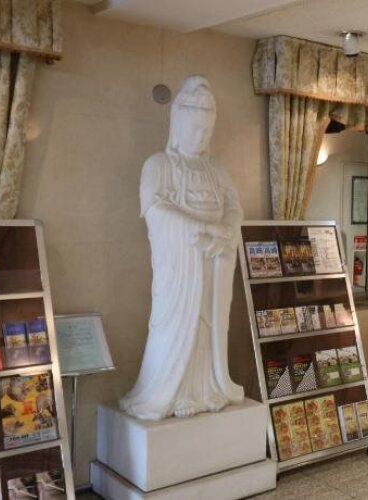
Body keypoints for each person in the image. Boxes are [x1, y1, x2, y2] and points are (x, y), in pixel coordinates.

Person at [120, 76, 245, 420]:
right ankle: (171, 393)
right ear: (177, 126)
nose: (201, 136)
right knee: (177, 324)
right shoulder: (158, 165)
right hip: (180, 266)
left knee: (208, 324)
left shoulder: (217, 170)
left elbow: (234, 207)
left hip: (214, 261)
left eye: (207, 130)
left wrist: (226, 229)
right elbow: (155, 209)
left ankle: (207, 388)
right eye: (194, 129)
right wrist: (202, 228)